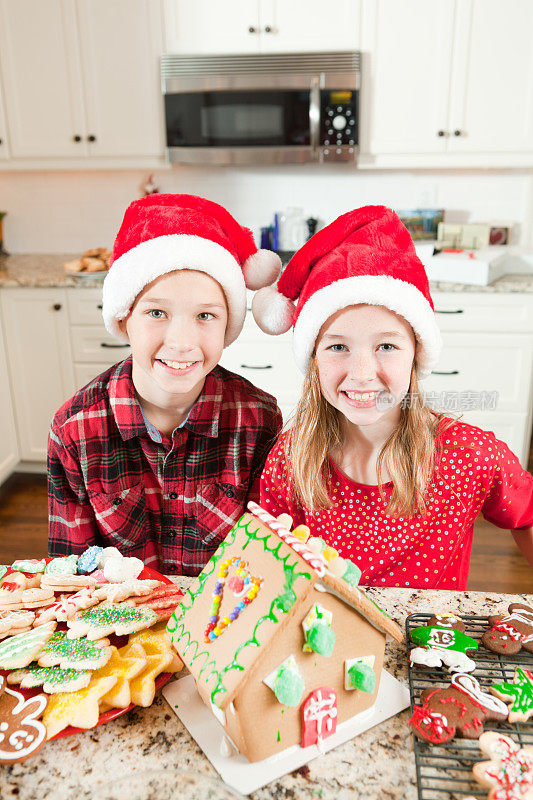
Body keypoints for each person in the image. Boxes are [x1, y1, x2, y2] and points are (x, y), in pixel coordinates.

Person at [254, 205, 533, 590]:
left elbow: (526, 514)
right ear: (313, 358)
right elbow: (265, 562)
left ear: (416, 353)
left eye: (386, 345)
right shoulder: (291, 458)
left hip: (430, 645)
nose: (363, 373)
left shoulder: (468, 455)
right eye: (338, 347)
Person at [48, 193, 283, 575]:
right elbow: (70, 575)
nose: (180, 342)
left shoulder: (260, 420)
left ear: (228, 327)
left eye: (205, 315)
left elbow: (264, 563)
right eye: (157, 312)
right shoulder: (74, 430)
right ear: (124, 319)